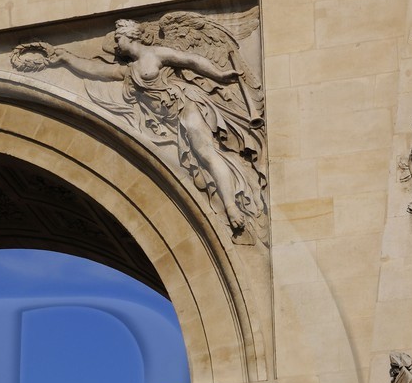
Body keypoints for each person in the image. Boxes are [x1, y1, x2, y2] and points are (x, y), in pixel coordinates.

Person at [18, 16, 266, 234]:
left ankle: (231, 206)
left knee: (206, 153)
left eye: (118, 38)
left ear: (130, 36)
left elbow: (190, 60)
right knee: (201, 158)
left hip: (185, 106)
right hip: (168, 121)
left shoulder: (155, 54)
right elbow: (97, 70)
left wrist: (219, 75)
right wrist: (67, 58)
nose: (116, 44)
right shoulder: (128, 70)